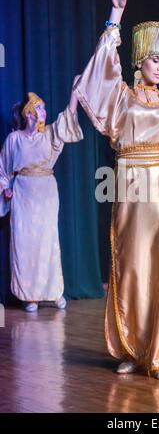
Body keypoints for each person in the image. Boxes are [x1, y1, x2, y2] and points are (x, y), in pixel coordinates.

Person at [74, 0, 159, 379]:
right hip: (130, 187)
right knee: (132, 266)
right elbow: (100, 64)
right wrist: (115, 14)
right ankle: (132, 347)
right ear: (139, 62)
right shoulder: (122, 98)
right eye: (155, 61)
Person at [0, 81, 83, 312]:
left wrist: (74, 93)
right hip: (23, 192)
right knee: (25, 243)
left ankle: (54, 293)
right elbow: (3, 168)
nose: (44, 113)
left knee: (47, 242)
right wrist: (6, 187)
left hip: (45, 190)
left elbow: (68, 118)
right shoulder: (14, 139)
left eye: (44, 109)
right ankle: (31, 296)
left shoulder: (49, 134)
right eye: (39, 109)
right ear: (28, 113)